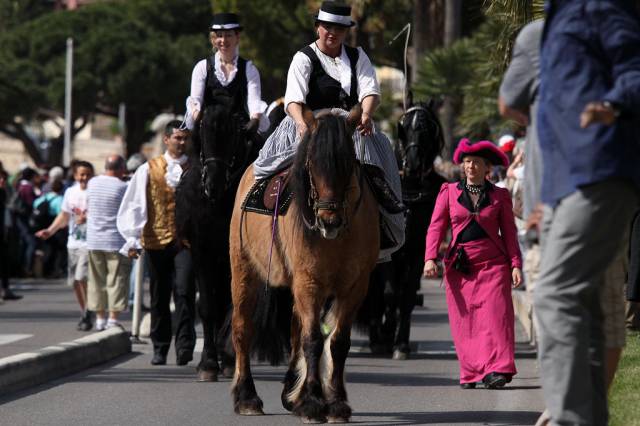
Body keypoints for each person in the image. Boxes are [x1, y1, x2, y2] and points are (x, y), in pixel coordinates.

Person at [534, 2, 640, 425]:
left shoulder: (595, 6)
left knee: (554, 294)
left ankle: (569, 420)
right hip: (569, 181)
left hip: (598, 171)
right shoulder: (565, 13)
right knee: (584, 310)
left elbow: (634, 68)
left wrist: (613, 104)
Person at [253, 1, 404, 260]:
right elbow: (293, 101)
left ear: (346, 32)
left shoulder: (359, 56)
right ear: (317, 28)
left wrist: (366, 114)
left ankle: (385, 218)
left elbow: (370, 91)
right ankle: (265, 224)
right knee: (274, 170)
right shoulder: (304, 58)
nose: (332, 33)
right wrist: (302, 124)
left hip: (349, 126)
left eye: (339, 28)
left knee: (378, 158)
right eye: (327, 27)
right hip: (311, 124)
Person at [423, 138, 522, 389]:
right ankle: (471, 371)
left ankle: (496, 369)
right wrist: (430, 258)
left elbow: (509, 233)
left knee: (496, 317)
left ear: (486, 168)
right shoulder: (448, 192)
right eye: (467, 162)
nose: (470, 167)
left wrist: (515, 264)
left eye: (476, 163)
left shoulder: (500, 195)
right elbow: (436, 227)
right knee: (466, 323)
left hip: (494, 264)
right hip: (461, 267)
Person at [117, 121, 196, 366]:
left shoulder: (195, 168)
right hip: (155, 240)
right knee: (159, 296)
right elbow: (135, 204)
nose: (181, 143)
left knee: (184, 291)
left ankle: (184, 345)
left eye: (185, 138)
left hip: (186, 241)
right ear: (166, 139)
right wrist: (132, 237)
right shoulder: (148, 169)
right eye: (177, 138)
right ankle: (160, 347)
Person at [184, 12, 268, 134]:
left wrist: (254, 121)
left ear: (237, 37)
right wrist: (204, 123)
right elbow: (195, 101)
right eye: (219, 36)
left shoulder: (249, 69)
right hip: (209, 132)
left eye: (228, 35)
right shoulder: (202, 67)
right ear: (213, 39)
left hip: (239, 131)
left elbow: (254, 101)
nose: (223, 40)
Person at [36, 161, 95, 331]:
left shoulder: (95, 192)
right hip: (73, 242)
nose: (84, 178)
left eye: (88, 174)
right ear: (75, 176)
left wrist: (87, 219)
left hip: (89, 242)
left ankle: (88, 312)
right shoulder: (70, 192)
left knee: (81, 277)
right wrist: (50, 230)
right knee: (74, 282)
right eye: (81, 174)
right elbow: (64, 216)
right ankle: (85, 311)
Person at [86, 155, 131, 331]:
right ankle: (112, 319)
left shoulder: (92, 183)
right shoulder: (123, 187)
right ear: (121, 168)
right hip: (114, 240)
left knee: (96, 281)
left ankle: (99, 319)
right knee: (116, 279)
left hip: (93, 240)